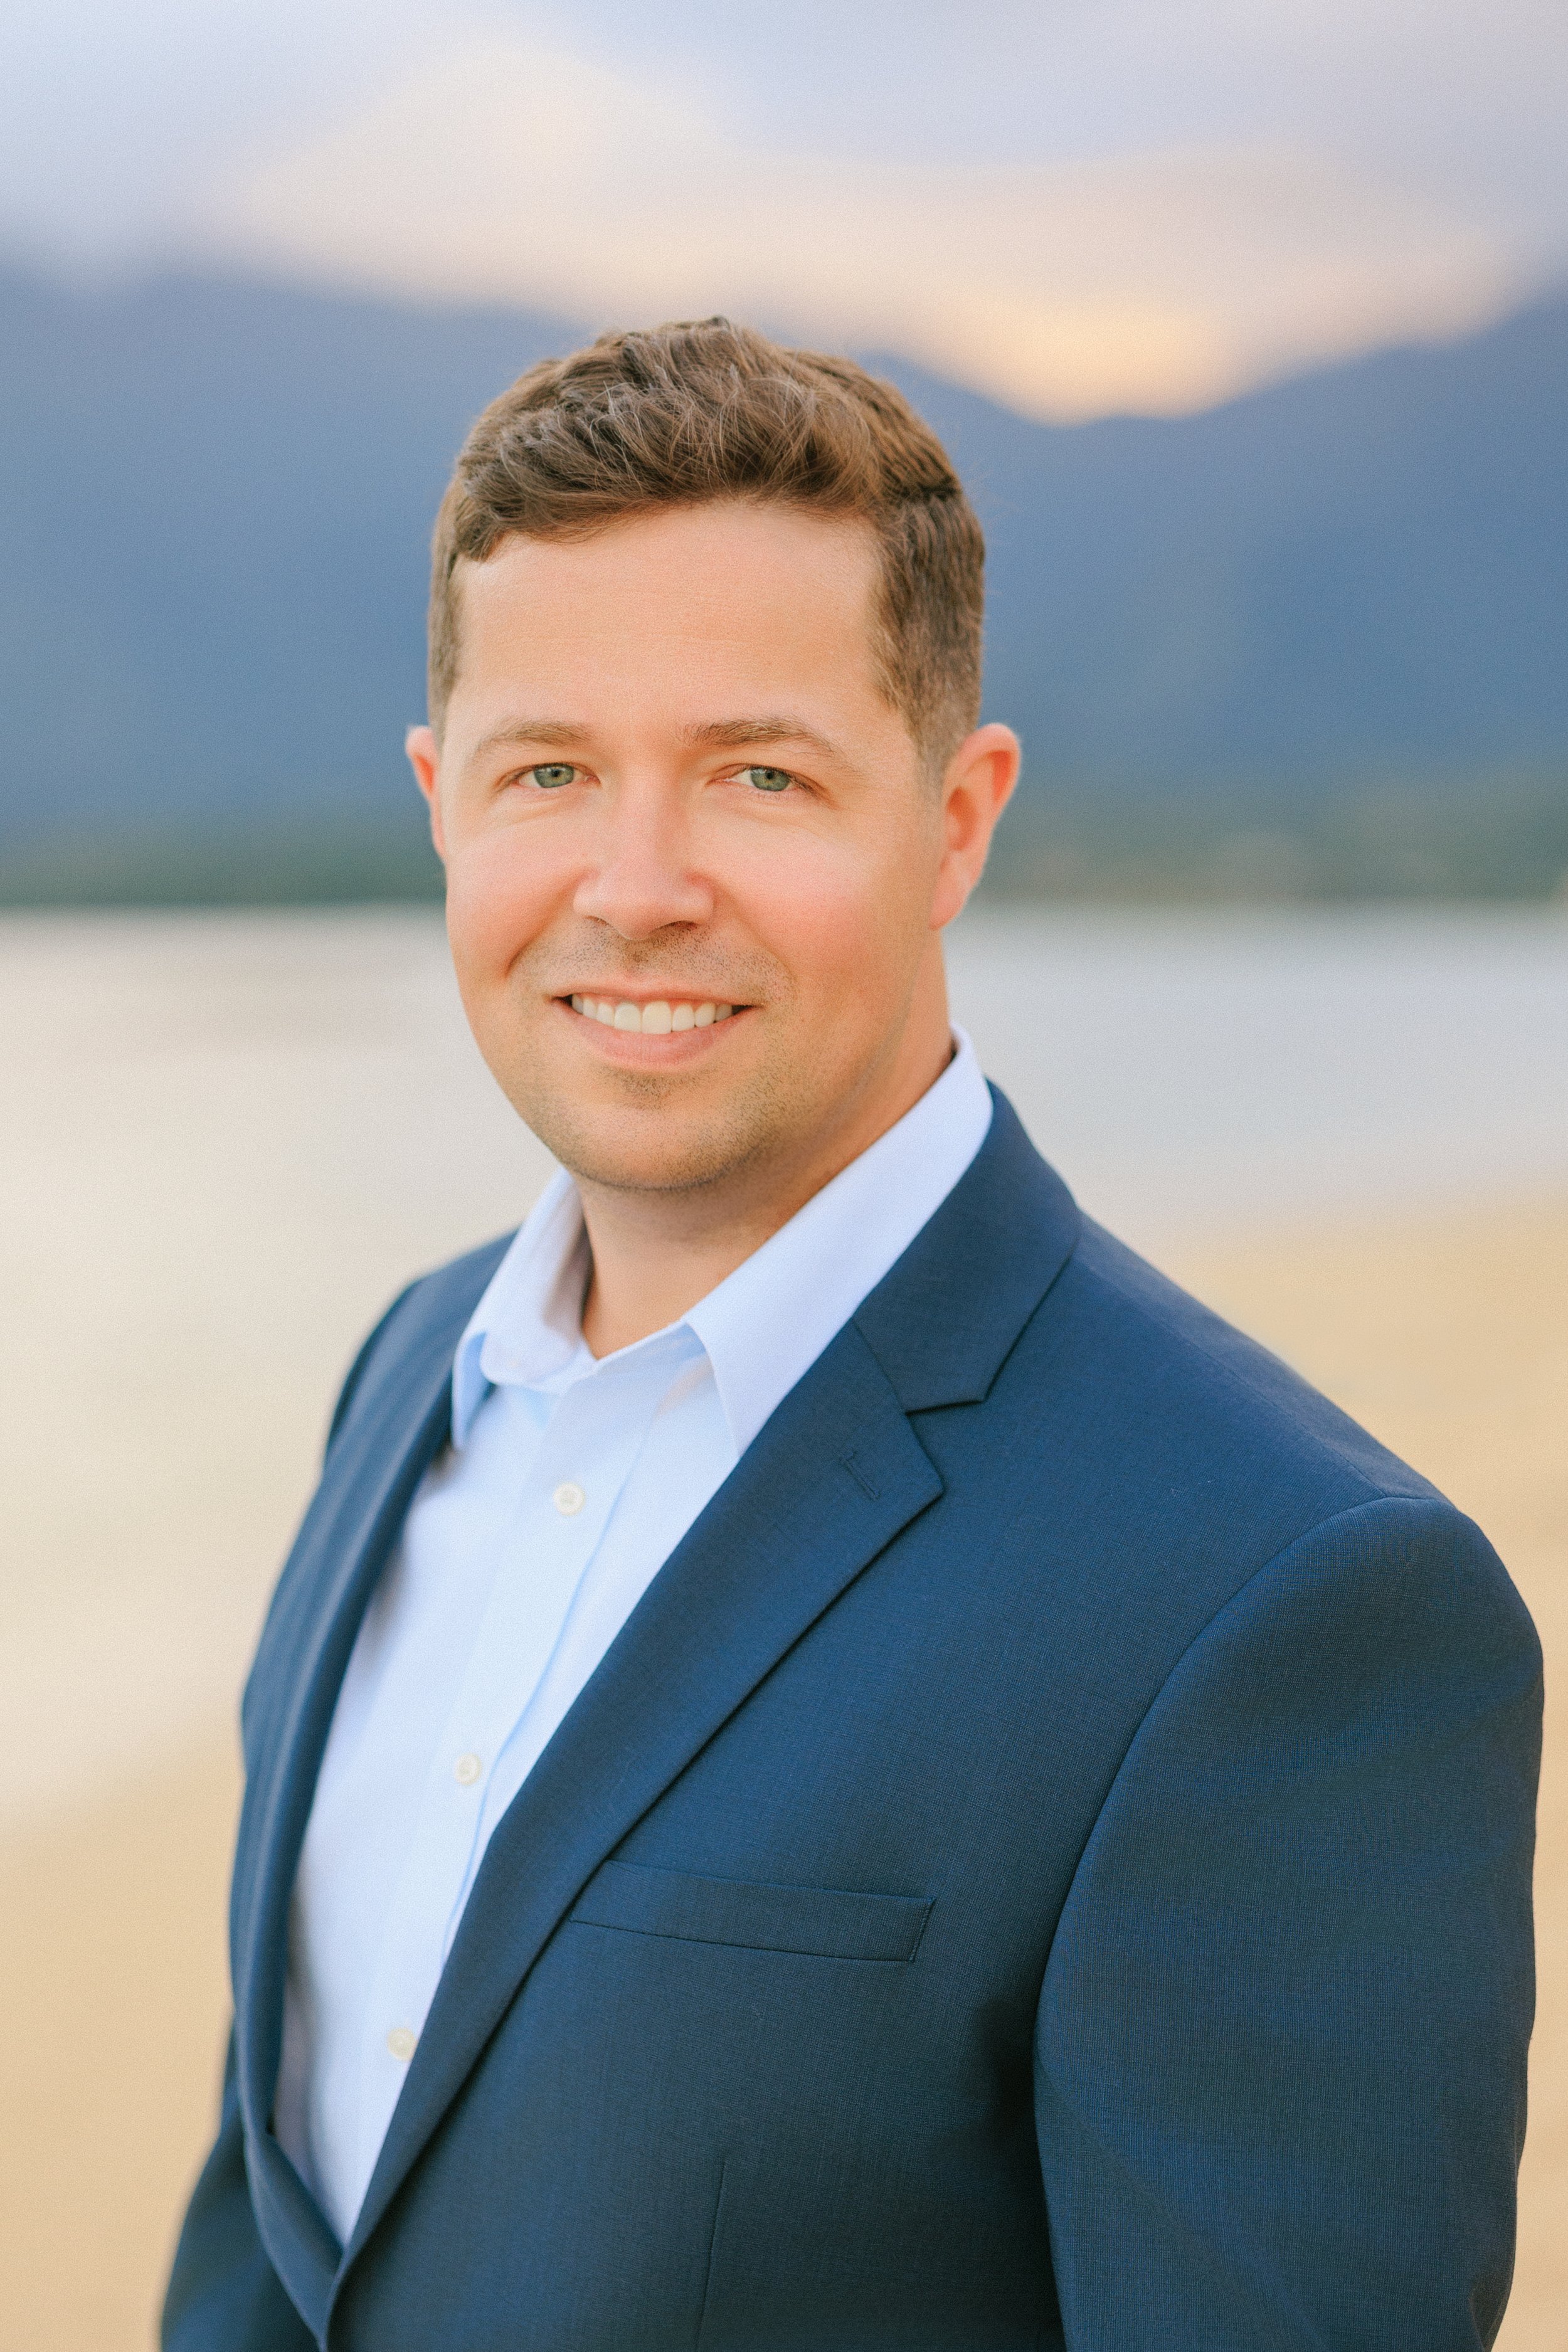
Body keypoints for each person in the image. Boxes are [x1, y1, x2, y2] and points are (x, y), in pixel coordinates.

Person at [162, 319, 1540, 2352]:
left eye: (758, 775)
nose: (635, 889)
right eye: (551, 771)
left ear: (956, 820)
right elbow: (288, 2234)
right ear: (441, 801)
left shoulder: (1285, 1599)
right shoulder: (408, 1375)